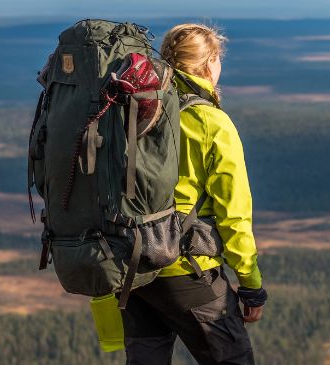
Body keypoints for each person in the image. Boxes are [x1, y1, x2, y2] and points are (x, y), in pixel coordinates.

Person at [119, 23, 267, 365]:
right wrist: (250, 284)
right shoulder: (211, 122)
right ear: (209, 62)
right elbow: (235, 215)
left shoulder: (134, 110)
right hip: (187, 269)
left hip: (133, 269)